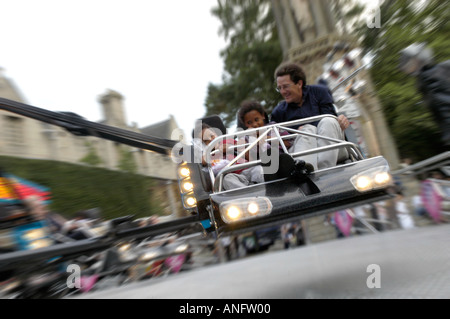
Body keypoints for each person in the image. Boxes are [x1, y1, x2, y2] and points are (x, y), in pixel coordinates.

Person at [271, 62, 351, 171]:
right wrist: (296, 135)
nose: (282, 92)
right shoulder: (278, 113)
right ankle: (307, 170)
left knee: (328, 121)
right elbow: (280, 144)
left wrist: (340, 122)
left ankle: (322, 173)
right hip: (303, 153)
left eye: (285, 86)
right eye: (279, 88)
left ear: (299, 83)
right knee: (307, 130)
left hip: (334, 150)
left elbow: (331, 123)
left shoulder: (320, 92)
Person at [399, 43, 450, 147]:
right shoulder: (430, 75)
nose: (408, 67)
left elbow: (444, 105)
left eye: (412, 62)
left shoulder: (429, 76)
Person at [195, 122, 264, 190]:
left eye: (211, 136)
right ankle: (248, 193)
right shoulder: (209, 154)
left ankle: (264, 188)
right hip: (234, 176)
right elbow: (203, 162)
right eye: (206, 141)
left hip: (246, 169)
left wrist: (232, 148)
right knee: (227, 179)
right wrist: (208, 151)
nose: (211, 140)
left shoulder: (228, 141)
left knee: (258, 169)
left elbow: (249, 158)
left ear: (215, 133)